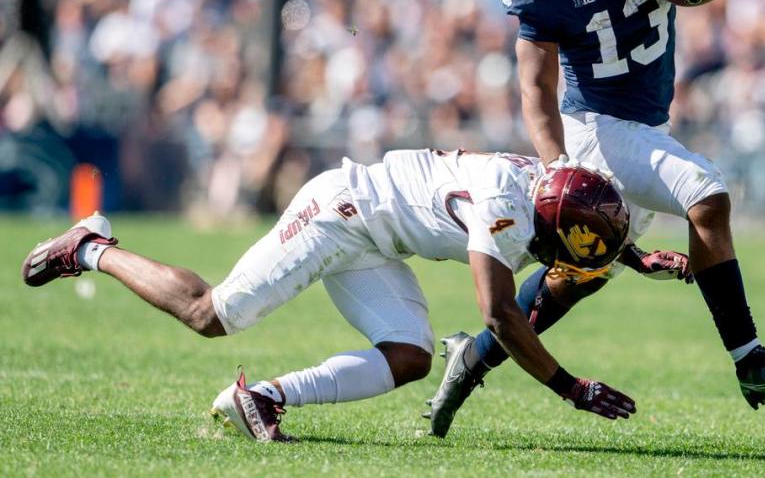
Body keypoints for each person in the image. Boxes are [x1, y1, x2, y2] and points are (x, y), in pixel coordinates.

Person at [425, 0, 765, 438]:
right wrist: (555, 164)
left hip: (644, 125)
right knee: (706, 194)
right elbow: (534, 88)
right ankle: (750, 358)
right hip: (592, 130)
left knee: (581, 276)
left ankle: (471, 358)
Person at [19, 148, 688, 441]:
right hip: (342, 212)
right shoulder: (507, 206)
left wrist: (631, 253)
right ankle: (90, 246)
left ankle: (261, 398)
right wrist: (570, 386)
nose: (576, 258)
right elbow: (498, 313)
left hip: (376, 237)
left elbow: (572, 224)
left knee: (411, 355)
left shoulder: (544, 189)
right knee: (212, 313)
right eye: (576, 245)